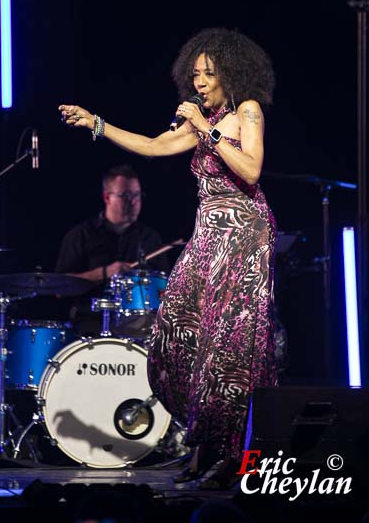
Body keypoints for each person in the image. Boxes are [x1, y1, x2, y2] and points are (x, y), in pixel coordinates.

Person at [59, 27, 278, 489]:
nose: (199, 82)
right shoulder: (207, 119)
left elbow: (251, 169)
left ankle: (229, 456)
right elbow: (155, 145)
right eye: (195, 74)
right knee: (176, 330)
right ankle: (203, 439)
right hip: (209, 234)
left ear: (230, 73)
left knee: (228, 346)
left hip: (244, 234)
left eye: (209, 73)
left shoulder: (245, 113)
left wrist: (204, 128)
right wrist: (97, 123)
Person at [54, 163, 169, 337]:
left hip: (139, 328)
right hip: (89, 326)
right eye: (125, 195)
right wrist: (104, 272)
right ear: (107, 197)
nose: (133, 201)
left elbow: (164, 289)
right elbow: (59, 288)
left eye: (137, 195)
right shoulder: (81, 235)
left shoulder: (150, 238)